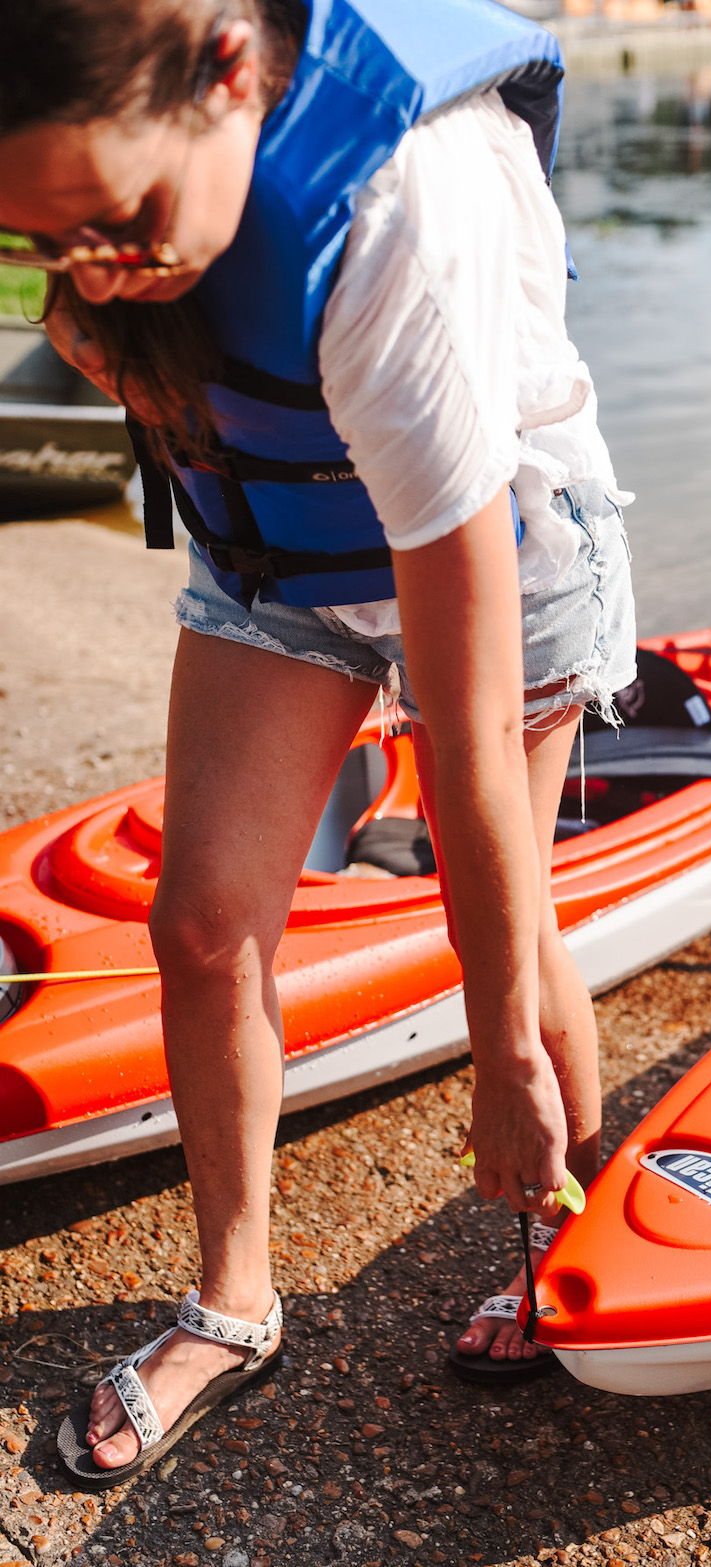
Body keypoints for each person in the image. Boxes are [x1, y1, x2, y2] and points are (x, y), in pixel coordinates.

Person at [0, 0, 635, 1486]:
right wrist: (96, 280)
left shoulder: (409, 208)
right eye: (46, 241)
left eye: (120, 221)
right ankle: (233, 1305)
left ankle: (556, 1240)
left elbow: (469, 733)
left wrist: (491, 1052)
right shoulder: (111, 180)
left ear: (229, 67)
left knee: (519, 941)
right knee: (205, 924)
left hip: (511, 553)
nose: (94, 270)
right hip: (282, 554)